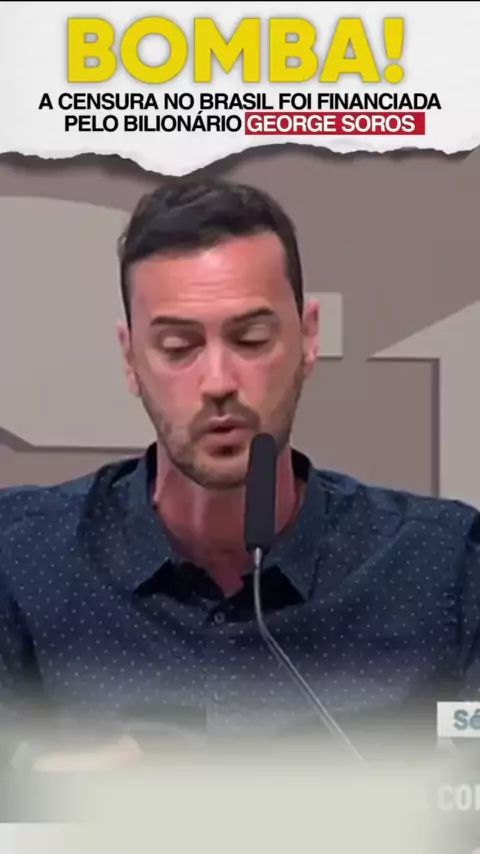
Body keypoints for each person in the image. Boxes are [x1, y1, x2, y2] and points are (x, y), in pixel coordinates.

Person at [1, 176, 480, 770]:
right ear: (130, 359)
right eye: (179, 347)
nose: (219, 382)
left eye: (251, 339)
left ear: (308, 338)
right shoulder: (22, 561)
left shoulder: (444, 569)